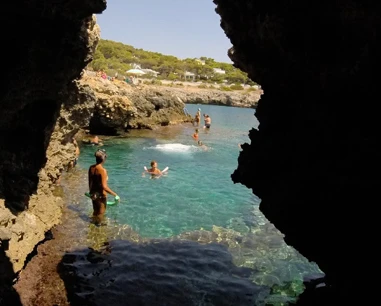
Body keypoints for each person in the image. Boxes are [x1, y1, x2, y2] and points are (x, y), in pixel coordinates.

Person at [88, 149, 119, 224]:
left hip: (93, 194)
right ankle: (98, 230)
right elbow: (104, 187)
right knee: (101, 214)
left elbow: (90, 182)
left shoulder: (91, 167)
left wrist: (91, 193)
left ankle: (92, 226)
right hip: (101, 196)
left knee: (95, 212)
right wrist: (115, 194)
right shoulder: (102, 170)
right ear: (104, 159)